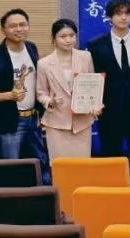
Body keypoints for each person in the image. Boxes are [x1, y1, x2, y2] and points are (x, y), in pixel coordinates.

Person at [0, 9, 49, 183]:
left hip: (33, 119)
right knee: (11, 168)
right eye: (13, 26)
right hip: (9, 122)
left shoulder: (31, 48)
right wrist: (9, 95)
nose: (19, 29)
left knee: (41, 164)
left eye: (23, 24)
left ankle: (45, 197)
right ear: (3, 30)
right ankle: (12, 199)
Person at [89, 0, 130, 183]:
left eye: (127, 13)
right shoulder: (96, 44)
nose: (123, 17)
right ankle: (113, 191)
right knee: (111, 154)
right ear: (109, 16)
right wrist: (95, 104)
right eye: (118, 13)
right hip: (109, 110)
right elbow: (93, 78)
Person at [37, 19, 96, 161]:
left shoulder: (85, 57)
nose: (68, 40)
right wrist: (50, 101)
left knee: (82, 164)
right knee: (60, 165)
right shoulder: (44, 63)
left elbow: (93, 84)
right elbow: (40, 93)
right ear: (54, 38)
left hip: (82, 121)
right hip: (57, 123)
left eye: (71, 35)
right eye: (63, 36)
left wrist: (95, 104)